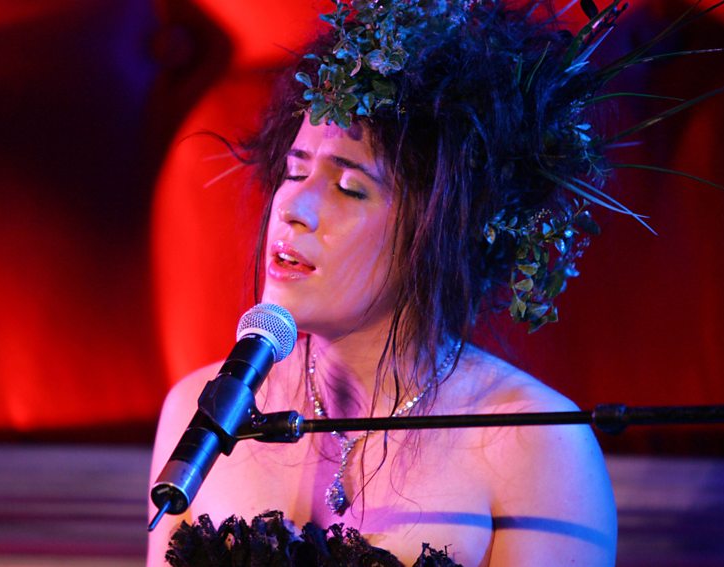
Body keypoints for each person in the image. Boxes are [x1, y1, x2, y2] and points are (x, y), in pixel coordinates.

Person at [148, 0, 638, 564]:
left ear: (439, 231)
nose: (293, 209)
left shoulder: (534, 443)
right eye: (295, 171)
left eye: (349, 188)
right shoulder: (200, 414)